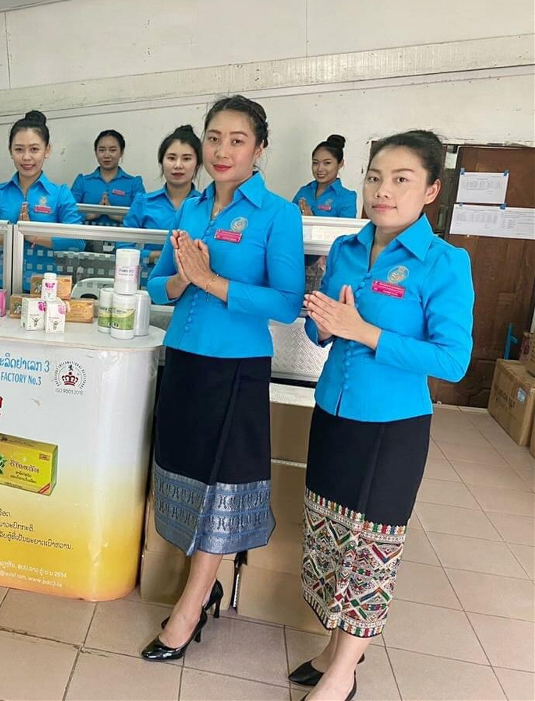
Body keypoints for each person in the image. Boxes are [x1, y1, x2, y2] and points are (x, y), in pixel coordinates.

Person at [290, 130, 473, 701]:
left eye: (401, 180)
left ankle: (343, 672)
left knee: (369, 550)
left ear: (431, 190)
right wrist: (323, 325)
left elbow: (453, 359)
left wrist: (364, 331)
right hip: (333, 412)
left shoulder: (444, 263)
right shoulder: (346, 249)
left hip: (392, 427)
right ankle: (333, 649)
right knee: (329, 537)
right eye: (374, 178)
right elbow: (321, 332)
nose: (382, 191)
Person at [141, 95, 305, 662]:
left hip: (234, 368)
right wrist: (183, 280)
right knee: (185, 475)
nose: (222, 150)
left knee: (219, 485)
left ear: (259, 149)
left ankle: (190, 608)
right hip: (183, 359)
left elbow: (286, 303)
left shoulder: (277, 214)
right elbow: (156, 283)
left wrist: (211, 281)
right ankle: (202, 585)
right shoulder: (191, 208)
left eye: (237, 140)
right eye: (214, 138)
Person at [0, 110, 84, 287]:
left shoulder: (60, 194)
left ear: (47, 150)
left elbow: (77, 242)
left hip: (45, 287)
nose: (26, 157)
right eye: (19, 149)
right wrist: (12, 234)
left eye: (34, 149)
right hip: (1, 284)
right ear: (10, 151)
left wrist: (32, 235)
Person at [120, 125, 202, 263]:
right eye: (171, 158)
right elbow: (123, 248)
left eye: (186, 159)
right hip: (149, 275)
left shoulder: (207, 205)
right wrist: (156, 255)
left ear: (198, 165)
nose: (178, 165)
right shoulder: (143, 202)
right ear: (161, 162)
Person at [71, 130, 145, 226]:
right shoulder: (82, 182)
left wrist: (117, 216)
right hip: (87, 236)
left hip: (122, 236)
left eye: (112, 150)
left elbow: (143, 215)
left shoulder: (134, 184)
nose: (106, 155)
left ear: (121, 152)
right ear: (95, 152)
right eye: (102, 150)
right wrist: (90, 215)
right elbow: (67, 213)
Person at [292, 135, 358, 218]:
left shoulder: (347, 197)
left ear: (340, 164)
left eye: (327, 163)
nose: (319, 169)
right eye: (315, 163)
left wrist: (311, 220)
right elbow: (287, 220)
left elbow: (346, 226)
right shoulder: (304, 191)